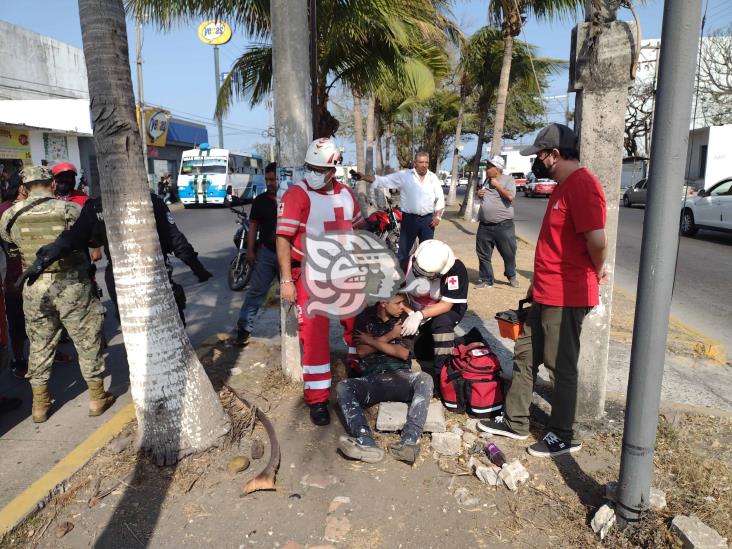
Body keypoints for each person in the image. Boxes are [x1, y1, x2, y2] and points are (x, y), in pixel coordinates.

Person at [478, 123, 607, 458]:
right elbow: (557, 244)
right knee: (525, 355)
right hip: (546, 291)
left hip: (567, 295)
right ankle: (516, 421)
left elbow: (597, 240)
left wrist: (597, 269)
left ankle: (564, 433)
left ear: (554, 155)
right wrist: (536, 284)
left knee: (559, 365)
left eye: (539, 155)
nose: (536, 161)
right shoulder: (563, 187)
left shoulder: (583, 185)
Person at [0, 166, 114, 423]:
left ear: (23, 188)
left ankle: (39, 405)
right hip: (73, 285)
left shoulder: (9, 216)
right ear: (51, 183)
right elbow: (93, 244)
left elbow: (13, 250)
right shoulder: (71, 210)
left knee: (39, 344)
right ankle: (97, 398)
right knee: (87, 341)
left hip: (35, 289)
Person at [18, 191, 212, 326]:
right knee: (168, 324)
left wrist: (46, 257)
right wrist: (198, 269)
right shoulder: (150, 201)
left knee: (134, 328)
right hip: (150, 274)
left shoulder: (95, 206)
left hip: (121, 277)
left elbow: (72, 238)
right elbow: (176, 241)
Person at [276, 137, 364, 426]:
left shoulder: (347, 195)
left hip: (346, 269)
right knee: (313, 337)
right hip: (311, 274)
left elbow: (359, 229)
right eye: (310, 167)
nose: (313, 173)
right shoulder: (296, 195)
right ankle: (317, 399)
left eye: (320, 168)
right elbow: (283, 240)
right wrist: (287, 280)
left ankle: (357, 366)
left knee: (356, 324)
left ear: (334, 168)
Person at [336, 293, 433, 465]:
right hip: (373, 380)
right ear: (382, 302)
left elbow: (401, 353)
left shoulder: (405, 320)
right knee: (344, 386)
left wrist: (371, 341)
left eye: (404, 303)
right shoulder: (365, 318)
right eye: (398, 303)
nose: (403, 307)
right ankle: (365, 440)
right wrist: (389, 337)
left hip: (401, 377)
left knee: (424, 379)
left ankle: (410, 440)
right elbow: (362, 352)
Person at [355, 152, 445, 270]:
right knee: (403, 252)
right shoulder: (404, 176)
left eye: (426, 162)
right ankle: (401, 279)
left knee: (426, 251)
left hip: (427, 221)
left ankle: (425, 278)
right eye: (421, 162)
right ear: (415, 163)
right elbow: (384, 181)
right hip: (409, 220)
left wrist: (438, 216)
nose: (424, 165)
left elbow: (440, 198)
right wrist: (364, 177)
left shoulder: (433, 178)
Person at [401, 239, 468, 380]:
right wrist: (410, 312)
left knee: (442, 324)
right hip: (413, 308)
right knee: (418, 351)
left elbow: (447, 305)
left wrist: (420, 315)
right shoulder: (405, 263)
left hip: (445, 310)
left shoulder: (456, 269)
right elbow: (397, 294)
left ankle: (442, 374)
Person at [236, 162, 278, 346]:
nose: (270, 183)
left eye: (273, 179)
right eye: (267, 179)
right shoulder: (260, 201)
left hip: (291, 256)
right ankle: (244, 329)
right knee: (255, 292)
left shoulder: (291, 198)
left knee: (293, 296)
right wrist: (251, 251)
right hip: (266, 254)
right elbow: (253, 227)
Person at [475, 155, 519, 289]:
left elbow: (510, 197)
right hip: (485, 225)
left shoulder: (508, 180)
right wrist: (479, 194)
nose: (486, 169)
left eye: (489, 167)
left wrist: (498, 185)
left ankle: (511, 275)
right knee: (482, 254)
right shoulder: (486, 180)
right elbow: (484, 196)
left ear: (497, 168)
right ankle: (486, 279)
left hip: (503, 225)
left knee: (509, 253)